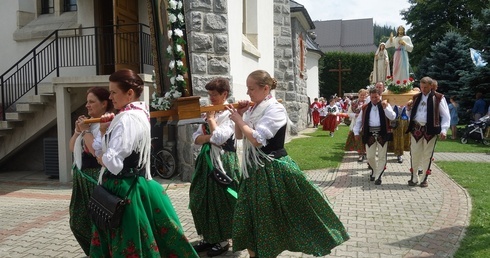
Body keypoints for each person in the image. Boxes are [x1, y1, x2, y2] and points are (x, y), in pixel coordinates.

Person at [227, 70, 349, 258]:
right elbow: (240, 135)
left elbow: (258, 140)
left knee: (269, 221)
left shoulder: (274, 109)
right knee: (248, 218)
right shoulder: (253, 108)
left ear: (265, 88)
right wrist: (240, 116)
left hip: (272, 170)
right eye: (248, 89)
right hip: (253, 171)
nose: (248, 93)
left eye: (251, 89)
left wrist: (238, 119)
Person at [91, 69, 198, 257]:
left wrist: (101, 158)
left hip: (124, 188)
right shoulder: (134, 114)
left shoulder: (128, 119)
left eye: (114, 92)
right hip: (132, 185)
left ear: (129, 93)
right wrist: (102, 131)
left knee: (129, 241)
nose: (110, 96)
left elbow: (113, 161)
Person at [189, 78, 241, 257]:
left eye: (214, 95)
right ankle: (209, 236)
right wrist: (209, 135)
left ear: (224, 94)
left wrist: (211, 121)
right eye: (209, 94)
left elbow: (220, 138)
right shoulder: (208, 113)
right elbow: (195, 139)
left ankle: (223, 240)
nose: (210, 98)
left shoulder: (230, 114)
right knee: (200, 198)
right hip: (206, 161)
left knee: (221, 200)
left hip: (223, 162)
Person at [68, 87, 113, 256]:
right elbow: (72, 147)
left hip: (95, 179)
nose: (87, 105)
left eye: (91, 101)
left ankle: (100, 253)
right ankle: (93, 252)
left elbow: (96, 152)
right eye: (87, 101)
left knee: (97, 223)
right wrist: (78, 131)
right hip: (82, 179)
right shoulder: (90, 123)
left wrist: (85, 130)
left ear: (104, 104)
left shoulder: (106, 124)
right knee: (77, 222)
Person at [406, 77, 450, 188]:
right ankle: (414, 177)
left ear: (431, 86)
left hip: (430, 130)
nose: (423, 89)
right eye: (421, 87)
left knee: (427, 155)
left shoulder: (438, 98)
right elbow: (411, 115)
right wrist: (408, 109)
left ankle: (424, 178)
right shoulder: (416, 97)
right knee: (415, 153)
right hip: (416, 129)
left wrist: (444, 130)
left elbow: (445, 116)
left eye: (425, 87)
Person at [353, 87, 396, 185]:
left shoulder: (385, 105)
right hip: (369, 134)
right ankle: (375, 171)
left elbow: (393, 116)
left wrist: (385, 108)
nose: (374, 99)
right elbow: (359, 121)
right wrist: (356, 132)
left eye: (376, 97)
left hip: (382, 133)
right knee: (370, 156)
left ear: (379, 96)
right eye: (372, 97)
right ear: (370, 97)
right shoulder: (365, 107)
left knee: (382, 156)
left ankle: (378, 176)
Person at [345, 89, 368, 162]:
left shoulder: (369, 102)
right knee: (358, 139)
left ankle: (367, 153)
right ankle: (360, 154)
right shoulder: (354, 103)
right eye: (361, 95)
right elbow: (348, 113)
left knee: (367, 139)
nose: (363, 96)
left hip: (366, 124)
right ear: (358, 95)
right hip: (356, 123)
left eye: (364, 95)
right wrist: (356, 115)